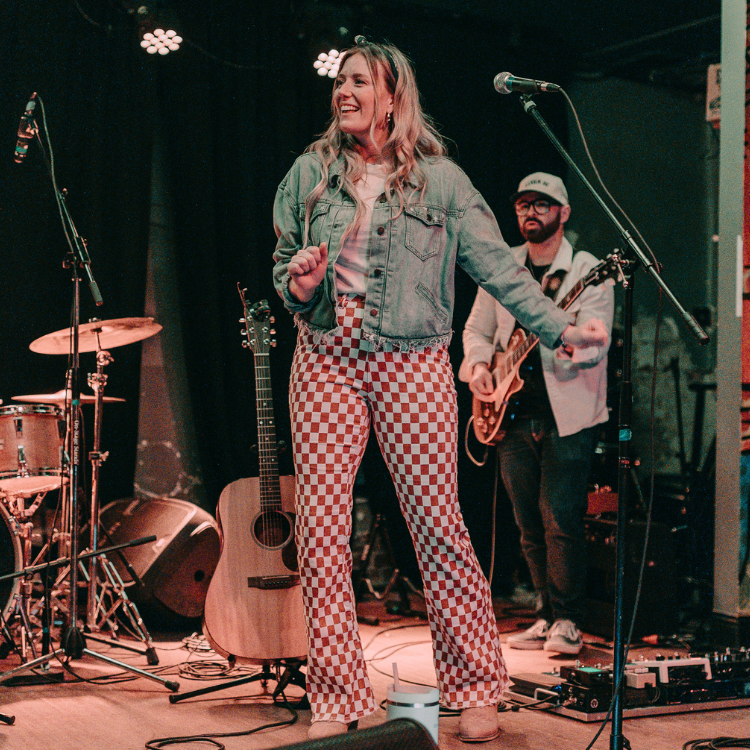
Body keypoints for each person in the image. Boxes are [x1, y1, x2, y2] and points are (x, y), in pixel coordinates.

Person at [272, 39, 608, 743]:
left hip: (413, 362)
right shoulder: (309, 173)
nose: (344, 91)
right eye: (340, 80)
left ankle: (475, 686)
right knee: (322, 533)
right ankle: (336, 698)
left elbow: (499, 269)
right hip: (326, 359)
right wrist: (301, 283)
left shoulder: (443, 182)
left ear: (393, 96)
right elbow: (284, 270)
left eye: (360, 81)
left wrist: (557, 328)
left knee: (438, 526)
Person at [459, 172, 615, 656]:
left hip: (567, 416)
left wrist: (577, 344)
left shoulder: (587, 270)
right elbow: (476, 330)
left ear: (563, 213)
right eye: (523, 203)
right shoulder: (503, 265)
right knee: (528, 522)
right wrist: (479, 367)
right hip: (510, 413)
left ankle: (569, 619)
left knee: (560, 519)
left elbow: (596, 341)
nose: (531, 211)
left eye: (542, 204)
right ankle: (546, 615)